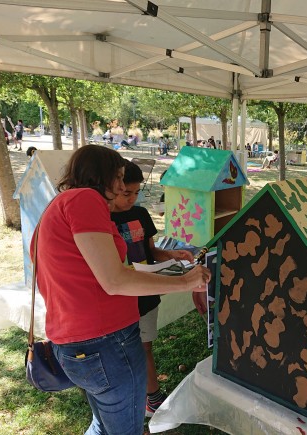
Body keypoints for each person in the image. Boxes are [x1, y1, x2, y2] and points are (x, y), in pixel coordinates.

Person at [33, 145, 210, 434]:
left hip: (79, 341)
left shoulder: (58, 206)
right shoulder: (84, 200)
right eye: (118, 176)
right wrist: (185, 281)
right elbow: (114, 280)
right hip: (104, 343)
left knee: (103, 424)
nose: (120, 185)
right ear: (103, 175)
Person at [111, 161, 194, 417]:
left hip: (146, 293)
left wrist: (169, 253)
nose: (132, 199)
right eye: (127, 193)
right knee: (120, 351)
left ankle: (153, 399)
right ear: (114, 188)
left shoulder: (141, 215)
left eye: (137, 193)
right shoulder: (102, 218)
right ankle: (125, 398)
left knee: (145, 346)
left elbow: (151, 251)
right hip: (119, 297)